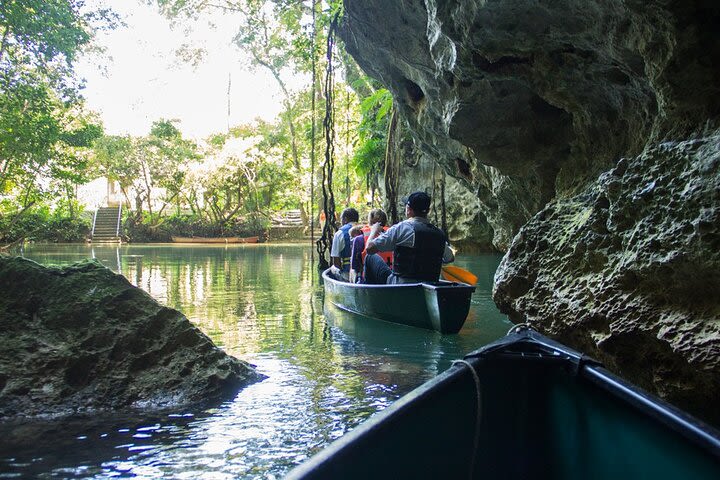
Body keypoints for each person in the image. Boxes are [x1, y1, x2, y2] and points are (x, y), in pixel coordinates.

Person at [364, 192, 454, 284]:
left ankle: (370, 295)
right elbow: (450, 258)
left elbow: (369, 249)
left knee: (369, 257)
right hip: (427, 288)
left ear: (408, 209)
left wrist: (373, 232)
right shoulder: (439, 235)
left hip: (400, 287)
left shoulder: (401, 228)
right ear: (428, 210)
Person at [349, 209, 392, 283]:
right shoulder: (392, 236)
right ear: (385, 222)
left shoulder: (359, 240)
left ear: (369, 222)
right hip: (388, 280)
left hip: (368, 282)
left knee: (352, 271)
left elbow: (355, 268)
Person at [330, 207, 359, 280]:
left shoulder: (339, 233)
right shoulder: (364, 229)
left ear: (345, 219)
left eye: (341, 219)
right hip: (363, 273)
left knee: (332, 268)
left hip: (347, 274)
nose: (341, 222)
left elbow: (336, 263)